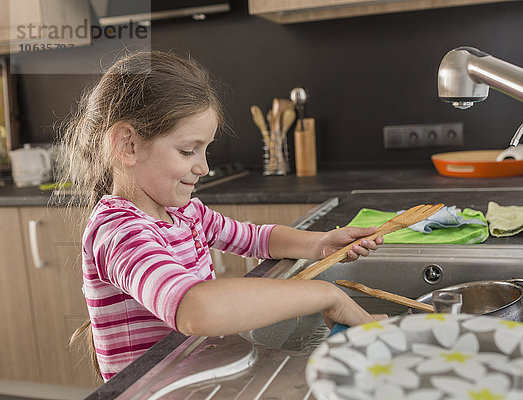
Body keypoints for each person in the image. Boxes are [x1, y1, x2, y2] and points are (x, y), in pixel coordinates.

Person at [58, 51, 385, 382]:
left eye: (205, 150)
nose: (204, 168)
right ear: (127, 145)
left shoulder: (184, 214)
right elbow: (195, 309)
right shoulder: (118, 233)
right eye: (187, 151)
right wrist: (326, 296)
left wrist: (321, 244)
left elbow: (257, 238)